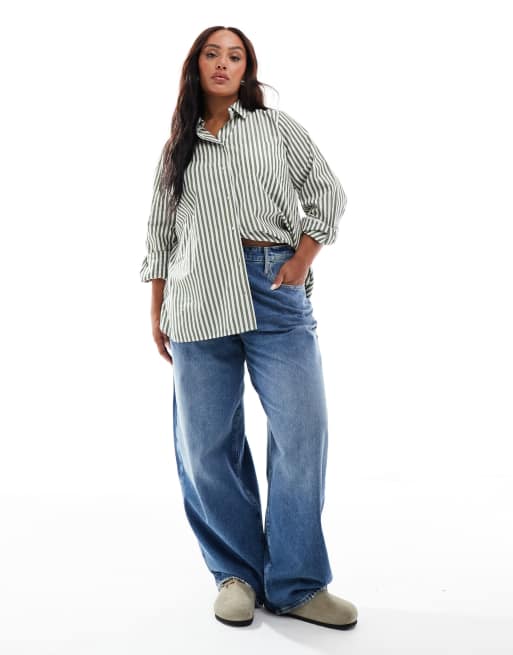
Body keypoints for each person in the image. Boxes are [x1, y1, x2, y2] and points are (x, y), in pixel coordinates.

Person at [140, 25, 358, 631]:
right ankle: (235, 575)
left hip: (273, 287)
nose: (223, 63)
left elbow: (328, 193)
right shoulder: (178, 147)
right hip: (195, 295)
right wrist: (156, 308)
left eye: (234, 56)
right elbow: (159, 232)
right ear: (196, 65)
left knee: (302, 431)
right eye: (212, 54)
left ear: (247, 68)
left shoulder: (275, 127)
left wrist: (301, 261)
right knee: (206, 444)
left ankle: (297, 583)